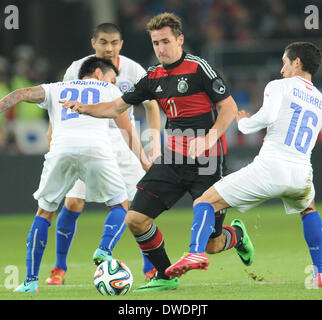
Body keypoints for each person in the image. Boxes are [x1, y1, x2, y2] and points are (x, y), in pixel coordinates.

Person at [61, 12, 254, 292]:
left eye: (166, 41)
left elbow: (229, 107)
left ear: (180, 40)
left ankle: (235, 235)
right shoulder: (152, 76)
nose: (161, 48)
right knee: (135, 219)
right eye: (155, 43)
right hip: (173, 158)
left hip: (206, 161)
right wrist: (84, 108)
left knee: (213, 244)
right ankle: (164, 275)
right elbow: (116, 107)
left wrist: (211, 137)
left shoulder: (199, 67)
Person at [165, 42, 322, 287]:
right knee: (308, 209)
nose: (282, 69)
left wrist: (243, 122)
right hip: (301, 175)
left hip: (270, 168)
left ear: (297, 63)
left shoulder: (279, 86)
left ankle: (195, 252)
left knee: (204, 201)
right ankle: (320, 274)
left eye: (285, 63)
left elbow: (267, 117)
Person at [0, 56, 151, 293]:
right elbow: (126, 128)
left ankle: (31, 281)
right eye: (112, 77)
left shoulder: (56, 88)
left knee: (45, 212)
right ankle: (104, 249)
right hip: (97, 150)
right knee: (120, 205)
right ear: (97, 73)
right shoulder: (109, 90)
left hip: (62, 151)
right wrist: (144, 161)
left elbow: (20, 93)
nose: (114, 81)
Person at [45, 23, 161, 286]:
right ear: (94, 44)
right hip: (85, 135)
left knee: (139, 205)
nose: (109, 48)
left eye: (114, 43)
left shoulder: (133, 69)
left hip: (123, 138)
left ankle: (149, 267)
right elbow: (59, 101)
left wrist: (154, 143)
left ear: (121, 44)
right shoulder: (77, 68)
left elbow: (152, 106)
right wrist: (53, 133)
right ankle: (59, 268)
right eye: (104, 42)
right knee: (73, 203)